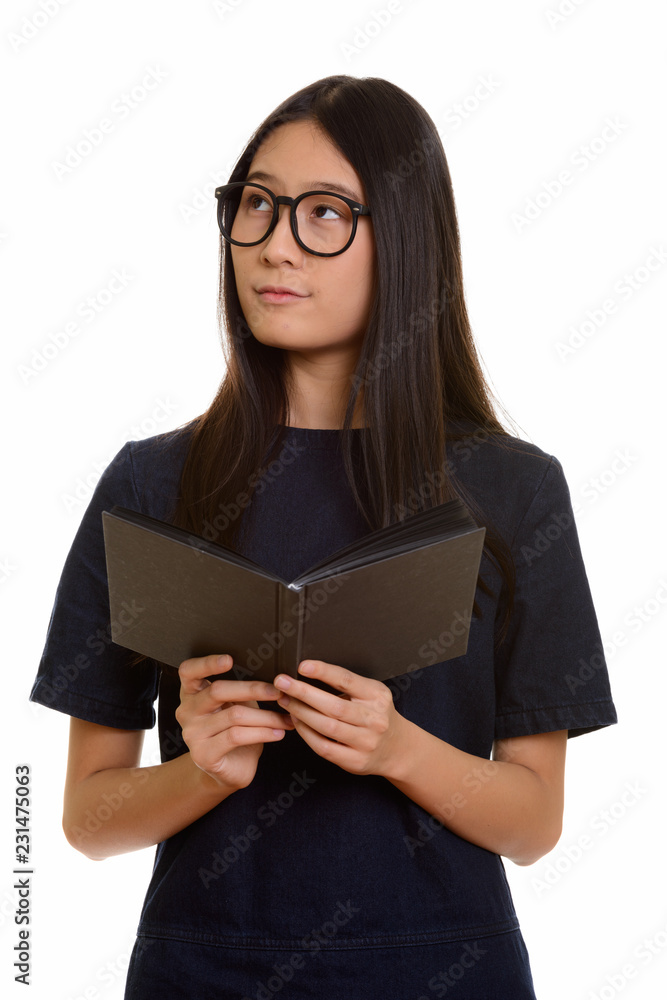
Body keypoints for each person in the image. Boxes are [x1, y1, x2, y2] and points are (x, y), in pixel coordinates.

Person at [30, 75, 617, 999]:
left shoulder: (512, 492)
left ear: (407, 239)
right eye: (256, 205)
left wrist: (397, 749)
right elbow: (84, 817)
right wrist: (203, 771)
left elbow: (535, 823)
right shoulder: (151, 484)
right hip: (202, 968)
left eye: (325, 214)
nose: (273, 245)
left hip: (441, 969)